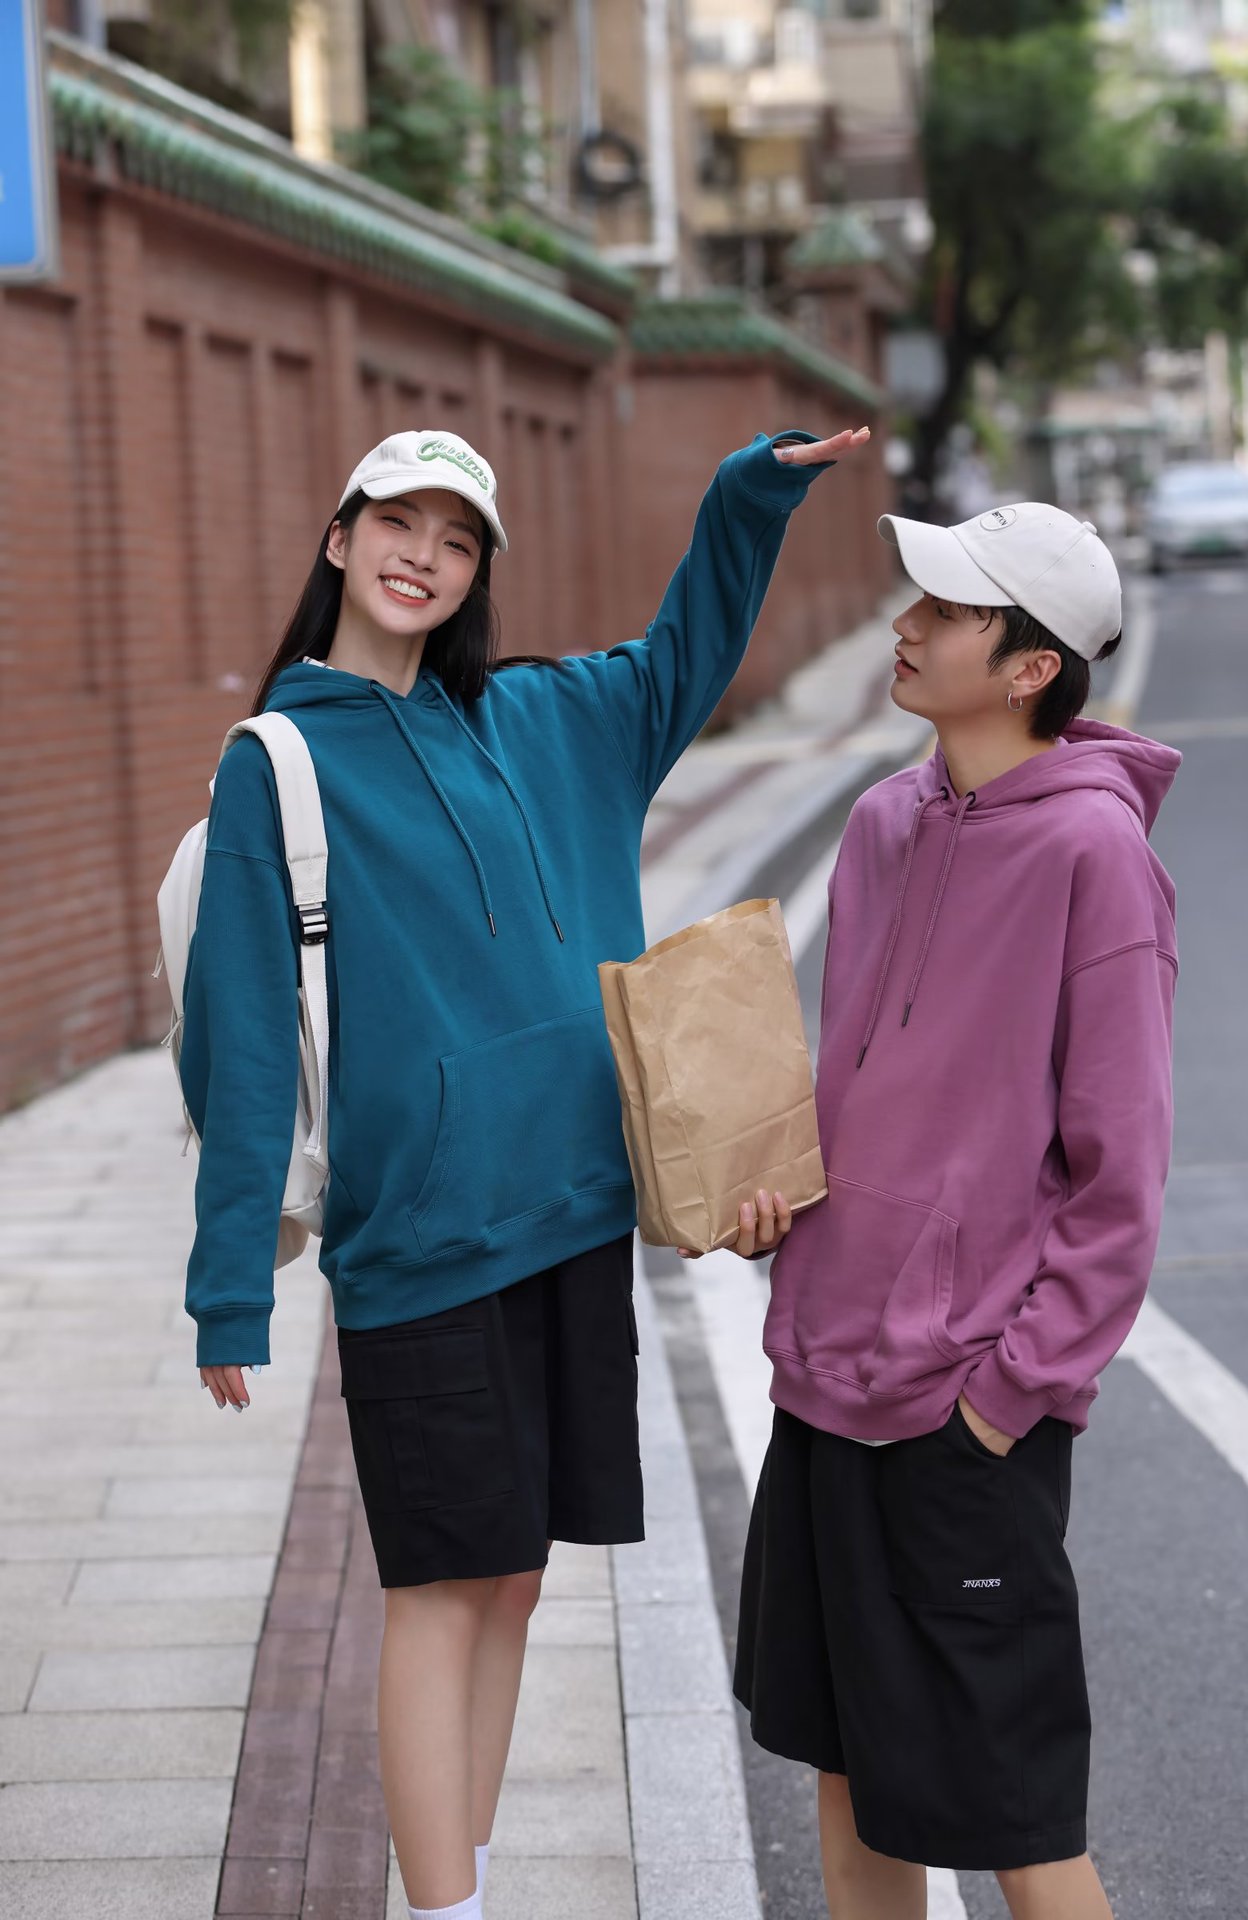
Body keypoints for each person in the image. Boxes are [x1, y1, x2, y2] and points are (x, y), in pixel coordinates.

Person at [182, 420, 867, 1920]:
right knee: (438, 1588)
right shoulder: (278, 766)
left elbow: (685, 656)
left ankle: (469, 1878)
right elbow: (243, 1035)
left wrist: (744, 500)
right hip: (419, 1242)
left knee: (512, 1576)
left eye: (458, 538)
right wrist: (230, 1282)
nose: (423, 556)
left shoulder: (553, 719)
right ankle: (446, 1911)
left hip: (573, 1222)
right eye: (397, 524)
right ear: (341, 541)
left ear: (477, 571)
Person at [732, 503, 1179, 1920]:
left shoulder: (1096, 856)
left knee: (1015, 1822)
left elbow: (1121, 1178)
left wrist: (1008, 1395)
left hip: (964, 1409)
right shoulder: (882, 823)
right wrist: (772, 1204)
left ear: (1033, 666)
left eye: (943, 610)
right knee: (848, 1773)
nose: (905, 627)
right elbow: (853, 1092)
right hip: (824, 1378)